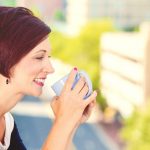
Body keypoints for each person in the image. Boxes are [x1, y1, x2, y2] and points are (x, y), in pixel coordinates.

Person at [0, 6, 97, 150]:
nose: (50, 69)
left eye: (48, 57)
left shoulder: (6, 123)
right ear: (5, 57)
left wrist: (70, 121)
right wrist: (63, 122)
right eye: (39, 57)